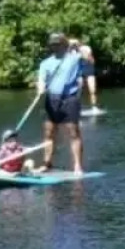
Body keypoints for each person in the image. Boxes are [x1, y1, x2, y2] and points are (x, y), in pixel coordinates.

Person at [36, 32, 86, 173]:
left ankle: (77, 166)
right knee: (48, 132)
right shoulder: (45, 63)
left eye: (58, 44)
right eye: (53, 45)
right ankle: (47, 164)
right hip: (52, 99)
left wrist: (77, 43)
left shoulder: (75, 58)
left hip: (69, 99)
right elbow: (41, 79)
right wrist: (40, 88)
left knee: (73, 132)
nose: (55, 47)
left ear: (64, 44)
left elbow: (87, 55)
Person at [76, 37, 99, 110]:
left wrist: (87, 56)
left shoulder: (87, 48)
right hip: (80, 70)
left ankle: (94, 106)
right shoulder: (74, 50)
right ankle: (76, 107)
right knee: (78, 89)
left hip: (89, 69)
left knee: (92, 90)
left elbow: (90, 58)